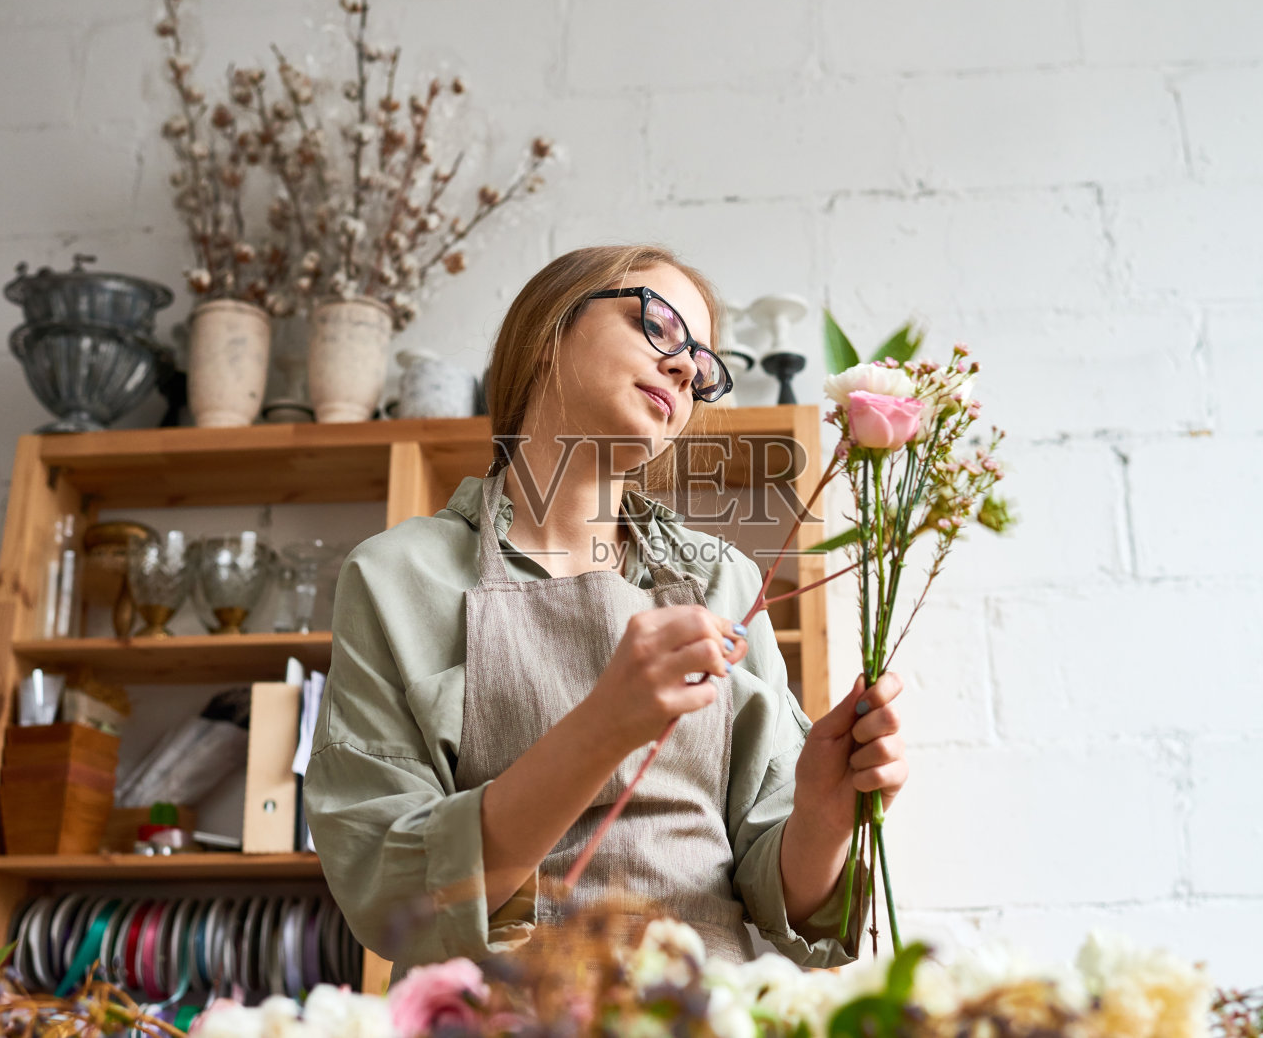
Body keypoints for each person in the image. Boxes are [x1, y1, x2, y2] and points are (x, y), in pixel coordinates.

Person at [303, 244, 909, 974]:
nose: (686, 369)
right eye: (658, 326)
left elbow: (791, 908)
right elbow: (392, 894)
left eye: (703, 366)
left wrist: (822, 810)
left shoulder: (723, 581)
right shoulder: (398, 575)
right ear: (547, 331)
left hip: (703, 1014)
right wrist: (601, 728)